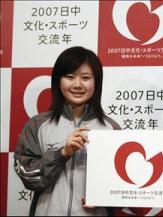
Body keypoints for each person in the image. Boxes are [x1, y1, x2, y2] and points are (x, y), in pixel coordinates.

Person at [14, 46, 120, 216]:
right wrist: (62, 153)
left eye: (85, 78)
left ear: (96, 82)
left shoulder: (111, 129)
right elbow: (27, 176)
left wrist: (105, 198)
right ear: (58, 81)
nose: (77, 84)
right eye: (70, 77)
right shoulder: (37, 125)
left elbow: (121, 184)